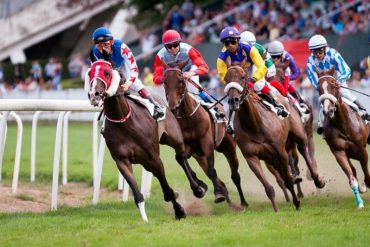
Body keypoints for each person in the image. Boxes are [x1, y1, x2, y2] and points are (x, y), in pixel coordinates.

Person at [91, 27, 164, 119]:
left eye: (105, 44)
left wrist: (128, 83)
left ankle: (156, 106)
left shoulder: (121, 47)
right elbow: (96, 73)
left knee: (136, 84)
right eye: (99, 46)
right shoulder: (95, 53)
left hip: (124, 66)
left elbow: (134, 69)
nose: (103, 49)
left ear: (112, 41)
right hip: (109, 70)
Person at [216, 26, 289, 118]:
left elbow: (262, 67)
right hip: (241, 68)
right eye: (227, 43)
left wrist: (254, 79)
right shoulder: (222, 56)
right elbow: (222, 75)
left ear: (238, 41)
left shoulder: (250, 48)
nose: (230, 45)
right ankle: (230, 120)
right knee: (233, 91)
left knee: (258, 85)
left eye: (233, 41)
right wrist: (232, 84)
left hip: (254, 65)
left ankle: (276, 102)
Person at [306, 34, 370, 134]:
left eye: (320, 51)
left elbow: (347, 70)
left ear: (325, 48)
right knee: (324, 99)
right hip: (324, 84)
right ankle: (321, 123)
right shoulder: (310, 61)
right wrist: (320, 87)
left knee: (345, 93)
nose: (318, 54)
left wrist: (339, 81)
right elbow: (313, 78)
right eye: (315, 52)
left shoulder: (333, 54)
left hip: (337, 79)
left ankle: (363, 110)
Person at [153, 29, 224, 118]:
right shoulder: (160, 56)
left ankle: (214, 109)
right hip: (171, 76)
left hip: (189, 70)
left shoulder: (188, 49)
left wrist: (191, 73)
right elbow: (156, 78)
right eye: (169, 46)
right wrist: (164, 79)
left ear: (179, 43)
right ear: (164, 46)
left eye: (175, 45)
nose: (173, 49)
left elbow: (204, 67)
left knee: (194, 88)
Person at [267, 40, 310, 114]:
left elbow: (297, 72)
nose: (275, 59)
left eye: (277, 57)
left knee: (284, 92)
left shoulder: (288, 57)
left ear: (282, 54)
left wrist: (287, 78)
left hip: (285, 73)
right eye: (273, 57)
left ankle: (300, 102)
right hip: (271, 75)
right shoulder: (266, 56)